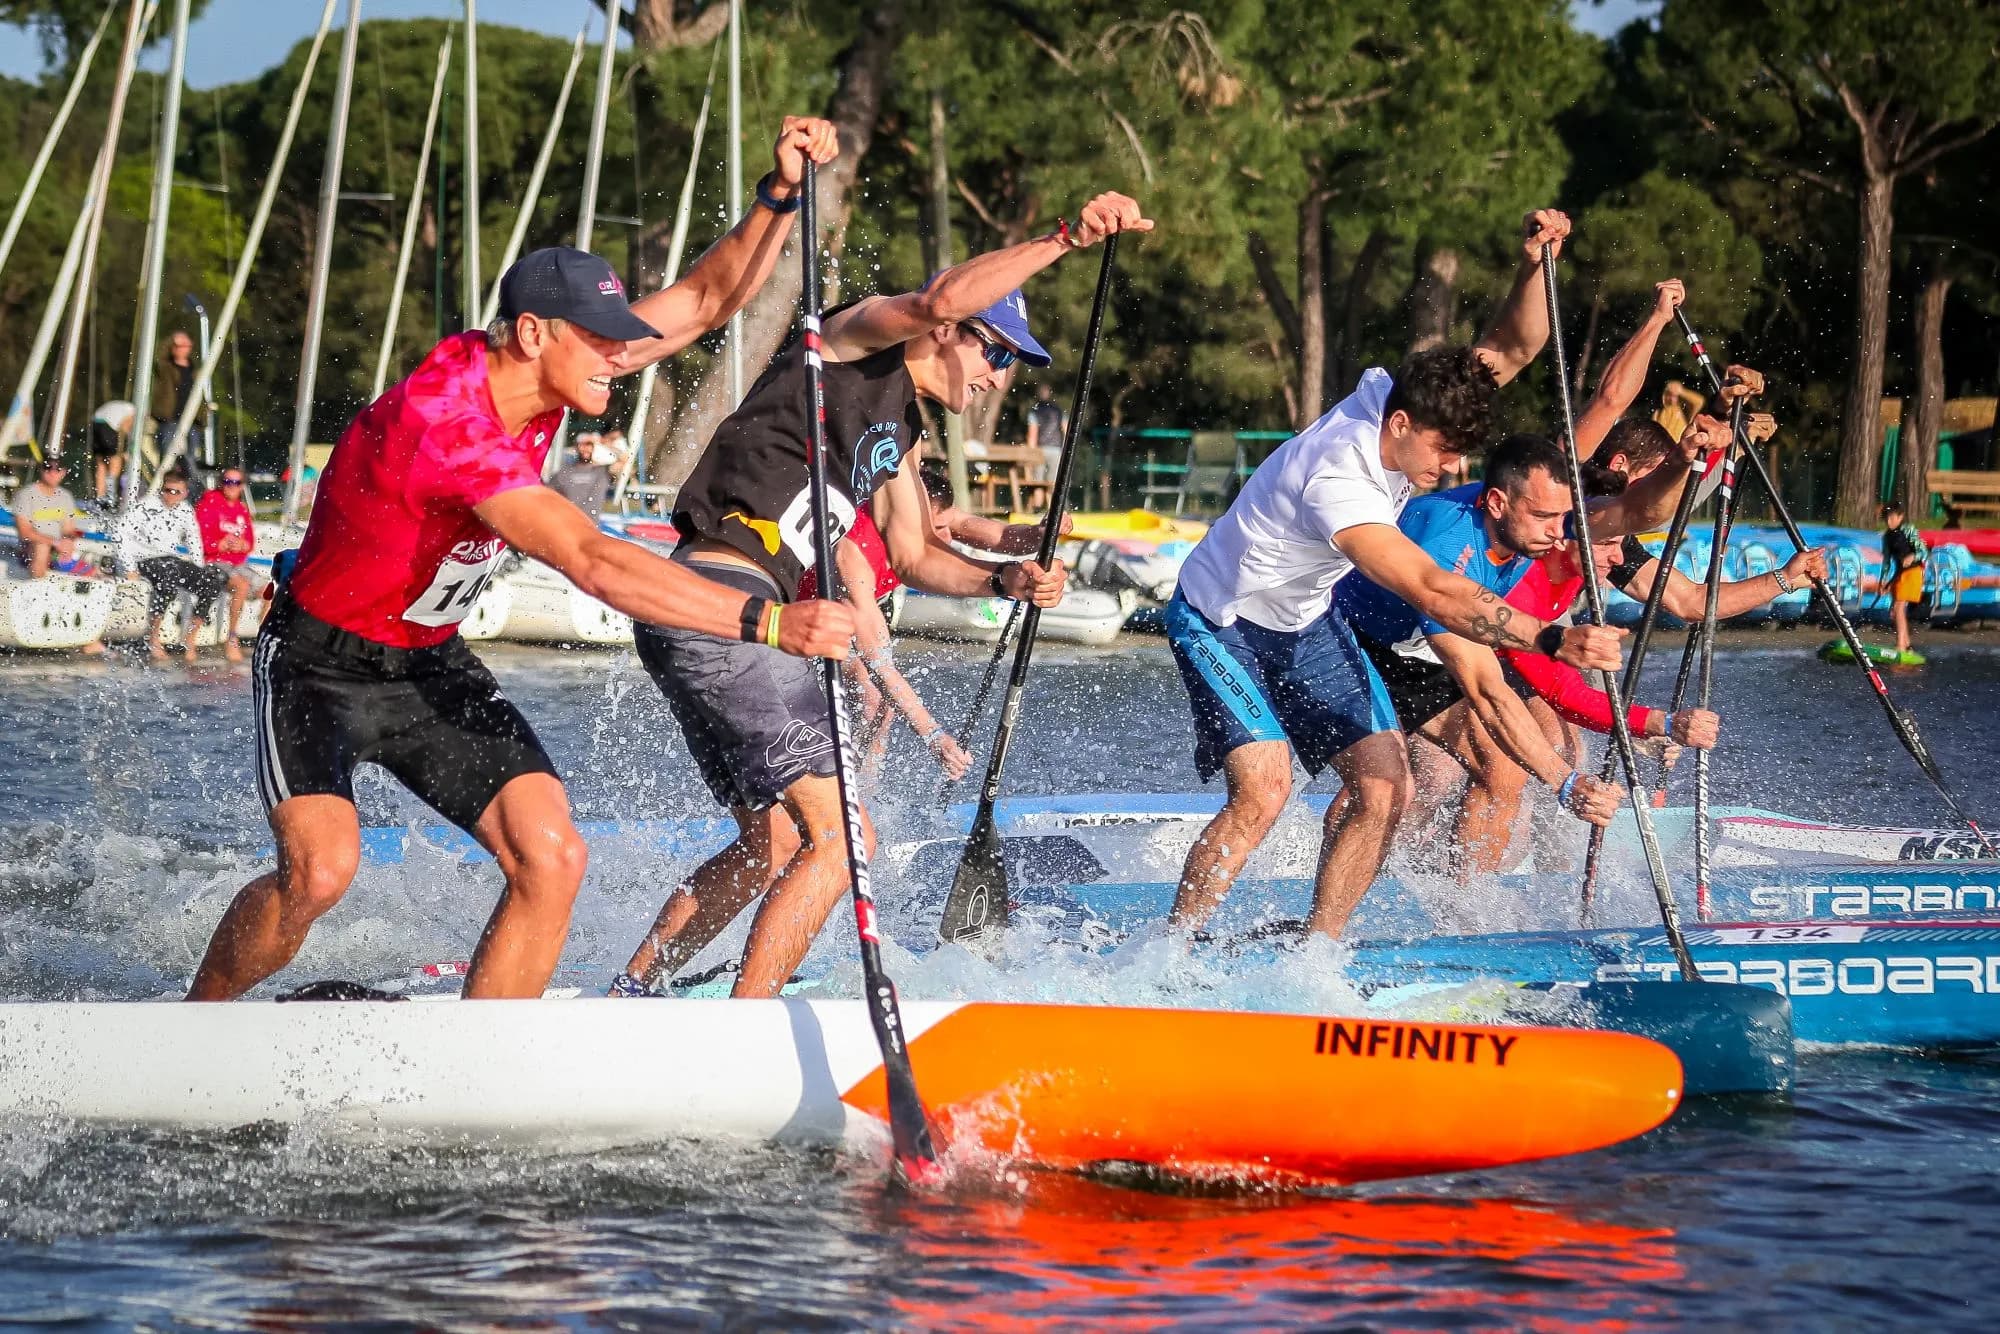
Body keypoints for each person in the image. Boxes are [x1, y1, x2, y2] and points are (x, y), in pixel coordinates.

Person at [185, 116, 855, 1004]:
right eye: (603, 339)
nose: (622, 355)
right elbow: (590, 558)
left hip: (426, 661)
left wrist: (779, 196)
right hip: (317, 663)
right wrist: (768, 620)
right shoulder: (445, 426)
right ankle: (194, 1022)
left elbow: (700, 302)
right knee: (319, 874)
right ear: (536, 332)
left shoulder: (547, 369)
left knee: (552, 854)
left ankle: (483, 1068)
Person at [616, 191, 1152, 999]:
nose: (996, 377)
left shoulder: (901, 433)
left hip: (725, 624)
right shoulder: (847, 343)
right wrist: (1067, 237)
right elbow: (937, 298)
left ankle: (631, 994)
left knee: (770, 844)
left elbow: (915, 551)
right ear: (948, 331)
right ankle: (745, 1026)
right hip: (724, 598)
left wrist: (1004, 580)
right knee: (843, 838)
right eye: (995, 353)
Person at [1162, 210, 1712, 943]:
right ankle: (1168, 955)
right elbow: (1433, 590)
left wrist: (1531, 267)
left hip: (1305, 618)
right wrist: (1549, 639)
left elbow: (1510, 348)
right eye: (1445, 449)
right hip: (1222, 618)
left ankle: (1315, 953)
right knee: (1265, 791)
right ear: (1399, 427)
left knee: (1388, 786)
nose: (1451, 467)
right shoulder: (1340, 479)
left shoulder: (1395, 396)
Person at [117, 469, 229, 663]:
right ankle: (153, 638)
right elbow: (121, 534)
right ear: (162, 489)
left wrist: (199, 567)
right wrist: (129, 567)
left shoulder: (185, 509)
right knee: (167, 578)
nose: (171, 495)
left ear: (185, 492)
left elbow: (194, 539)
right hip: (146, 559)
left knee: (212, 581)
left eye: (177, 492)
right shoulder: (145, 506)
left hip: (171, 559)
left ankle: (190, 639)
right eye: (168, 490)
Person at [195, 467, 258, 662]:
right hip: (215, 561)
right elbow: (197, 540)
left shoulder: (241, 509)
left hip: (237, 562)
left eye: (236, 483)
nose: (231, 486)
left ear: (242, 486)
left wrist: (242, 544)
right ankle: (232, 638)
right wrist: (218, 544)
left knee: (269, 590)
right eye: (227, 481)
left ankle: (262, 637)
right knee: (242, 584)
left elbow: (250, 543)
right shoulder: (209, 503)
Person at [11, 455, 96, 578]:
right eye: (48, 467)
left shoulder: (65, 496)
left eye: (57, 468)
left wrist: (67, 542)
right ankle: (37, 588)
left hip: (56, 549)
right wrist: (56, 542)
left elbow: (68, 529)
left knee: (95, 571)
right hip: (31, 549)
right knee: (42, 547)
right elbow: (25, 533)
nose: (52, 472)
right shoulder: (26, 495)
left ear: (64, 472)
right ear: (41, 470)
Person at [150, 330, 209, 466]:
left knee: (191, 459)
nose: (183, 349)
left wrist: (204, 414)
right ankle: (164, 483)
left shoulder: (194, 369)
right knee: (166, 456)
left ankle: (189, 485)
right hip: (169, 418)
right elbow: (157, 355)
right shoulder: (166, 367)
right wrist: (171, 340)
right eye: (179, 346)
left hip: (193, 420)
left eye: (186, 346)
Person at [1881, 500, 1927, 664]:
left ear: (1900, 517)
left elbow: (1923, 551)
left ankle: (1900, 645)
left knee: (1899, 607)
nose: (1889, 521)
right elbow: (1886, 561)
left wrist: (1912, 556)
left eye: (1892, 517)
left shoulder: (1909, 530)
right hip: (1899, 575)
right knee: (1894, 611)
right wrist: (1884, 581)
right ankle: (1907, 645)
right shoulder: (1886, 536)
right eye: (1887, 518)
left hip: (1913, 572)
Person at [551, 430, 630, 518]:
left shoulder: (602, 471)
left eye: (588, 445)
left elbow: (625, 459)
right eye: (581, 445)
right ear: (576, 447)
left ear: (594, 447)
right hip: (569, 524)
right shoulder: (564, 472)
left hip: (591, 526)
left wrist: (602, 441)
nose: (585, 448)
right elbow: (548, 496)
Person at [90, 400, 135, 503]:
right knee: (115, 459)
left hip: (95, 423)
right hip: (107, 426)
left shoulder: (124, 406)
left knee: (101, 463)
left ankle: (99, 497)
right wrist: (126, 450)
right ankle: (111, 494)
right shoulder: (134, 411)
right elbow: (125, 427)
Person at [1026, 381, 1067, 481]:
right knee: (1053, 483)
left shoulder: (1034, 411)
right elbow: (1066, 429)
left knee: (1037, 483)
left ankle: (1039, 497)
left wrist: (1031, 453)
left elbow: (1032, 434)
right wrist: (1065, 449)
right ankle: (1051, 497)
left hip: (1040, 449)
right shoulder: (1058, 410)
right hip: (1056, 449)